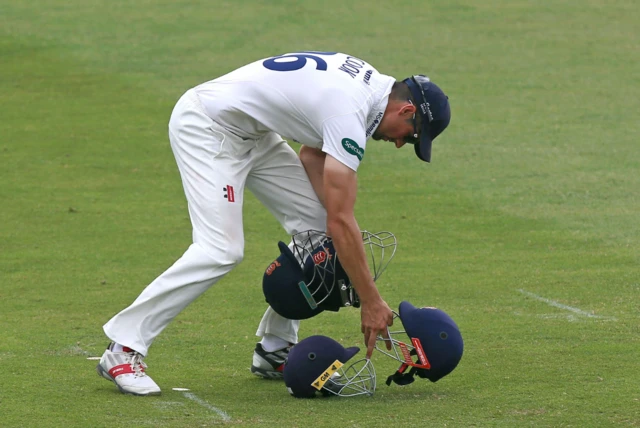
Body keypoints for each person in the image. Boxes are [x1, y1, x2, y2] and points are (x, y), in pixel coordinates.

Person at [96, 51, 451, 396]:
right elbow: (341, 218)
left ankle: (275, 349)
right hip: (209, 128)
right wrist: (371, 299)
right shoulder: (350, 113)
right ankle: (124, 349)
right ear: (406, 110)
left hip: (255, 134)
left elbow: (312, 155)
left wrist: (342, 240)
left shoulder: (366, 90)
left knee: (319, 235)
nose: (401, 143)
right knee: (221, 249)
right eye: (411, 134)